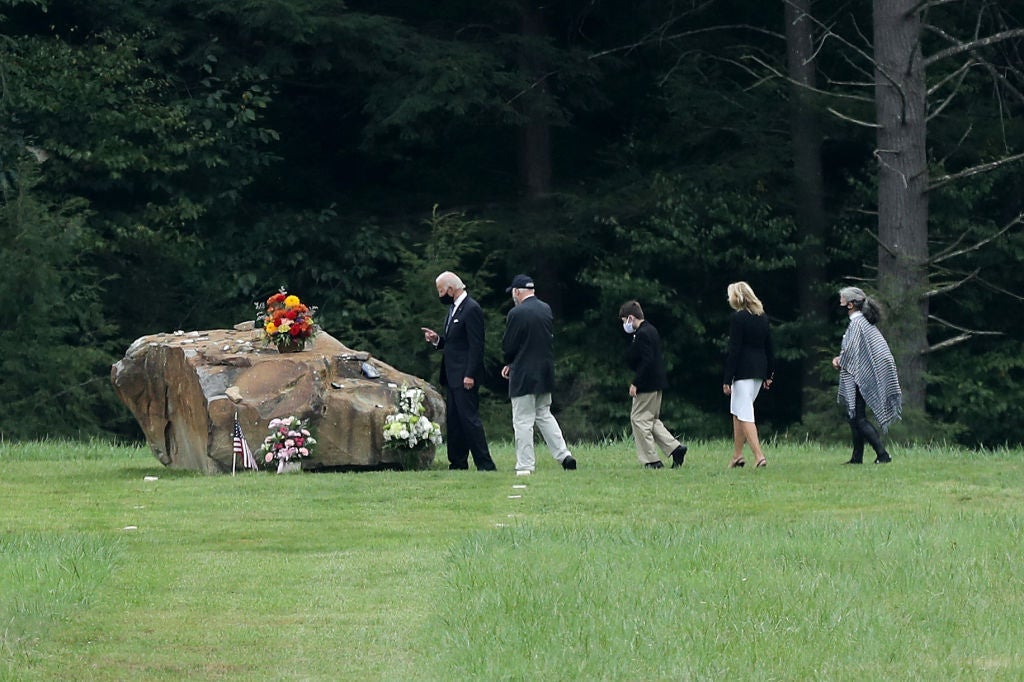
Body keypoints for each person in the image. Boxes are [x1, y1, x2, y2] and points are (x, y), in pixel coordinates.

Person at [499, 275, 577, 473]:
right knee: (544, 414)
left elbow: (509, 346)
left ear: (517, 291)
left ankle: (525, 465)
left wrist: (509, 362)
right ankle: (564, 455)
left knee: (523, 420)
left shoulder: (516, 313)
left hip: (524, 374)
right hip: (544, 371)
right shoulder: (545, 309)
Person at [421, 271, 497, 471]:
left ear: (451, 289)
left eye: (440, 291)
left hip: (464, 376)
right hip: (452, 375)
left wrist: (470, 374)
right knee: (455, 421)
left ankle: (485, 464)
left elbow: (476, 345)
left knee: (469, 420)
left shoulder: (471, 309)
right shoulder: (455, 309)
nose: (440, 296)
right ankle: (457, 462)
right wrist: (437, 340)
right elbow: (454, 343)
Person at [832, 286, 902, 464]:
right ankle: (857, 457)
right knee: (854, 417)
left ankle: (883, 454)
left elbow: (851, 351)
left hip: (859, 377)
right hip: (861, 375)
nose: (839, 303)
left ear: (850, 304)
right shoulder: (864, 323)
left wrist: (839, 360)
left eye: (842, 300)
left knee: (858, 418)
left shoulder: (857, 324)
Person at [619, 301, 688, 469]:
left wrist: (636, 383)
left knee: (639, 419)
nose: (624, 325)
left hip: (647, 384)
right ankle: (675, 448)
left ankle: (651, 460)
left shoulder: (642, 334)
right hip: (656, 383)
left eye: (623, 321)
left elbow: (647, 361)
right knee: (651, 419)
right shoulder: (651, 329)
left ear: (631, 318)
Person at [722, 282, 775, 469]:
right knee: (738, 412)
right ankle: (737, 456)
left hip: (743, 371)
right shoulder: (762, 317)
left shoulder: (738, 318)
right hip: (759, 370)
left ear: (737, 297)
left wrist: (727, 378)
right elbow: (769, 347)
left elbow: (735, 349)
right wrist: (770, 374)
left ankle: (759, 456)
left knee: (744, 413)